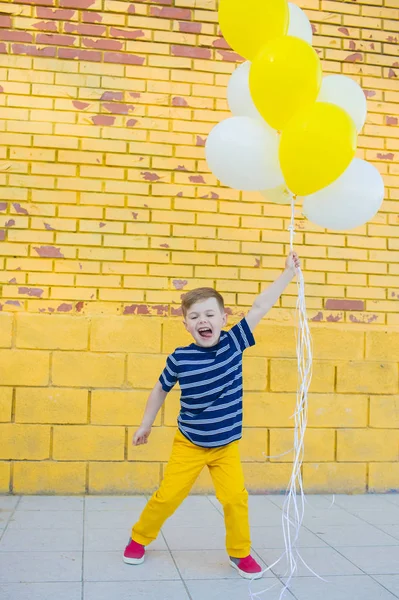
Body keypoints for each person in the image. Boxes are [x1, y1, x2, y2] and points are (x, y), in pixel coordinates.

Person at [123, 251, 301, 579]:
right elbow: (160, 389)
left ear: (223, 318)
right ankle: (139, 537)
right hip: (189, 443)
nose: (202, 321)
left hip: (225, 447)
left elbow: (260, 306)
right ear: (186, 324)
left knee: (235, 499)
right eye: (194, 316)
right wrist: (145, 424)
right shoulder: (180, 357)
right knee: (168, 496)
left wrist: (288, 274)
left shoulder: (234, 343)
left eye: (209, 314)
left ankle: (240, 552)